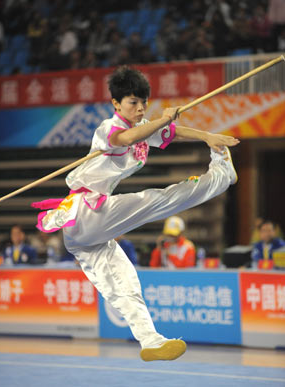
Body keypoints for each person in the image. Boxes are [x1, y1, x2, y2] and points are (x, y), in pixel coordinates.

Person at [32, 65, 239, 362]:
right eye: (133, 103)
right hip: (86, 211)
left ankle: (150, 340)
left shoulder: (144, 127)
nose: (140, 108)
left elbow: (172, 132)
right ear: (116, 104)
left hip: (82, 234)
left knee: (124, 283)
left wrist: (208, 136)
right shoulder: (108, 128)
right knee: (159, 200)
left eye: (144, 102)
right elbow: (126, 139)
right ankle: (221, 173)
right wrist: (161, 119)